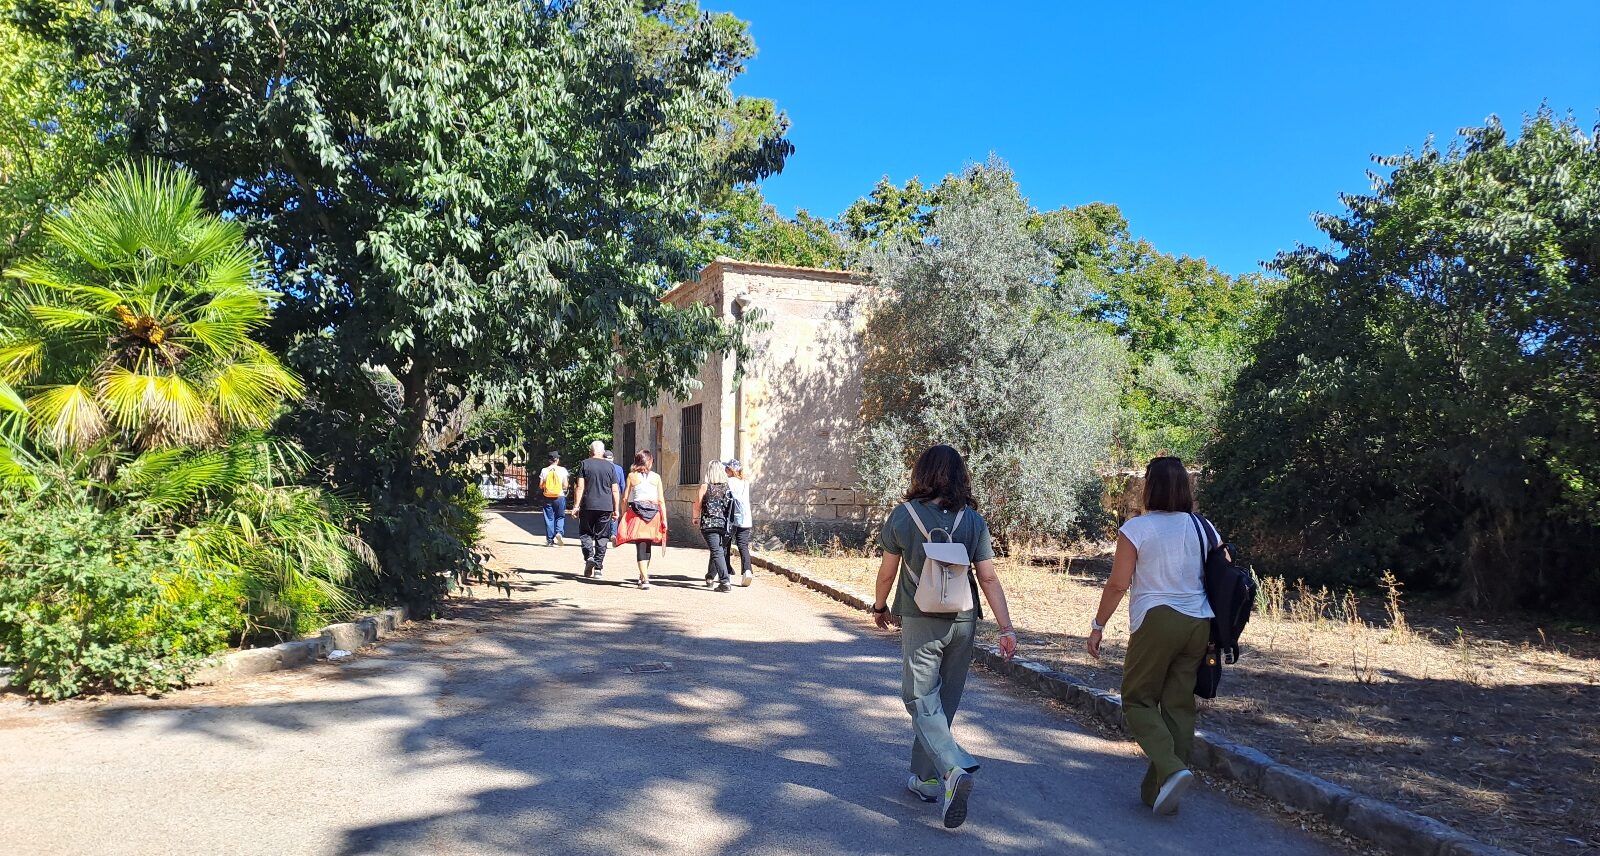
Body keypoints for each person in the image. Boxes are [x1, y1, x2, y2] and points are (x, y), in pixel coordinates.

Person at [870, 444, 1016, 830]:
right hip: (963, 620)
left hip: (921, 619)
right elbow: (987, 578)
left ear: (922, 473)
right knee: (943, 702)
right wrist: (1006, 628)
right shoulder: (974, 522)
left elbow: (887, 571)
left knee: (919, 698)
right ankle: (927, 779)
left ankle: (951, 768)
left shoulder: (904, 517)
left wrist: (880, 605)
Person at [1086, 456, 1216, 816]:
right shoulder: (1205, 528)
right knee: (1178, 704)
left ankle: (1172, 769)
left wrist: (1098, 626)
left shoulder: (1138, 529)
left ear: (1150, 487)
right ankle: (1158, 792)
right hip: (1199, 623)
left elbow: (1117, 584)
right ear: (1184, 489)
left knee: (1137, 699)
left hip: (1157, 620)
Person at [614, 450, 668, 589]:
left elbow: (625, 498)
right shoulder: (656, 477)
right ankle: (643, 576)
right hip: (654, 514)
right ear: (648, 461)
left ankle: (645, 579)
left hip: (637, 514)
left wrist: (623, 512)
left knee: (640, 545)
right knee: (647, 545)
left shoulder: (632, 476)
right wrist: (664, 519)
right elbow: (661, 500)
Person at [572, 440, 620, 578]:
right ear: (603, 452)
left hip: (588, 504)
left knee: (586, 533)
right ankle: (598, 568)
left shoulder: (584, 464)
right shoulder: (610, 467)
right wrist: (616, 509)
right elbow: (615, 490)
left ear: (590, 451)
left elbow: (580, 487)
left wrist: (576, 506)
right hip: (605, 506)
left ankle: (589, 558)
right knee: (602, 536)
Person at [692, 460, 735, 593]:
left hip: (709, 524)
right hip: (723, 524)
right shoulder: (727, 488)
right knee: (717, 550)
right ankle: (710, 577)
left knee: (716, 551)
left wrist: (695, 517)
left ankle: (725, 581)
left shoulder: (705, 487)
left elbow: (697, 504)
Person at [724, 459, 754, 587]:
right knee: (743, 545)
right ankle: (747, 570)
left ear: (731, 470)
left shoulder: (728, 482)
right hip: (745, 518)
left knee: (726, 544)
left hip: (731, 518)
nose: (724, 471)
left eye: (726, 468)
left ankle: (726, 571)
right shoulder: (745, 482)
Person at [537, 451, 569, 547]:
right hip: (560, 496)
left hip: (547, 497)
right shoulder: (563, 470)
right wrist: (563, 489)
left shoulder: (544, 470)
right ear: (557, 460)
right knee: (560, 516)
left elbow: (540, 485)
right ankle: (559, 532)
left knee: (549, 518)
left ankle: (550, 540)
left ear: (549, 460)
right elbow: (565, 485)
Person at [603, 450, 627, 539]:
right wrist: (622, 495)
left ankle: (604, 533)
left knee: (604, 514)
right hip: (616, 494)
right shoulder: (619, 468)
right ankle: (613, 533)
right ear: (612, 458)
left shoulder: (602, 468)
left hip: (604, 494)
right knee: (615, 512)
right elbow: (622, 484)